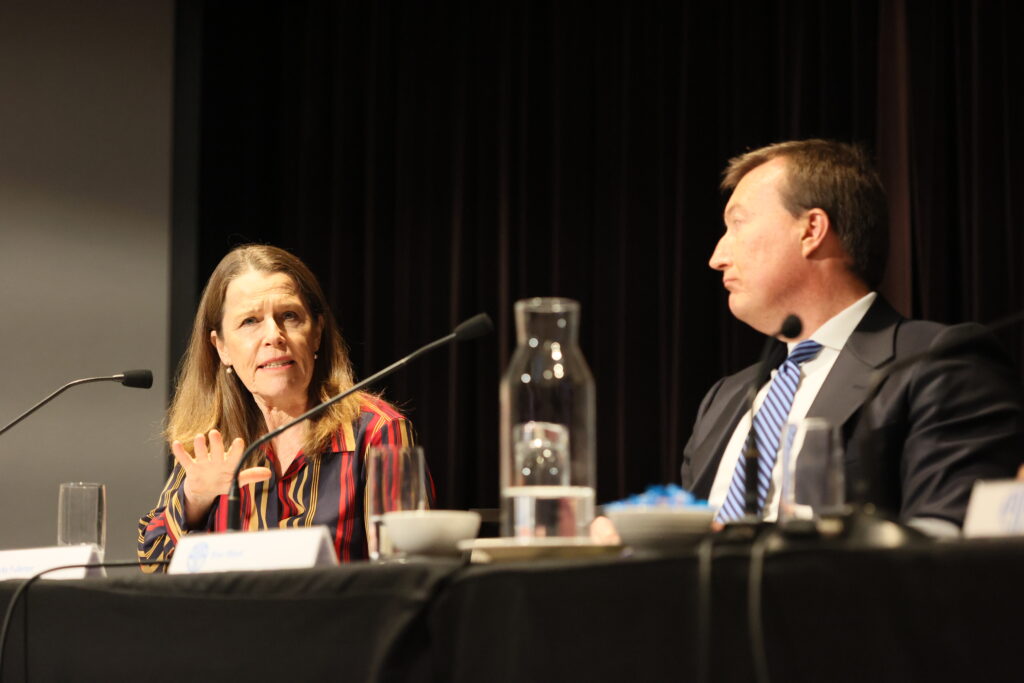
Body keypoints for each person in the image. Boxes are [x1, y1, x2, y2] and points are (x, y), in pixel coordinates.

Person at [679, 139, 1024, 536]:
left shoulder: (940, 362)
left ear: (811, 230)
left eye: (737, 224)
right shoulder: (723, 400)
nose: (717, 257)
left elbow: (946, 543)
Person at [138, 244, 416, 568]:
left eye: (289, 316)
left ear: (316, 333)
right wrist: (194, 499)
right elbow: (152, 564)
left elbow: (406, 567)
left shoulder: (377, 432)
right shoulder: (211, 443)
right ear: (221, 348)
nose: (274, 335)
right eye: (250, 321)